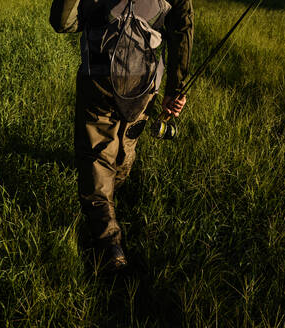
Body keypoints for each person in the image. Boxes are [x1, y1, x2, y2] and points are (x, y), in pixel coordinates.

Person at [50, 0, 194, 270]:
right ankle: (110, 199)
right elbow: (181, 29)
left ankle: (108, 244)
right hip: (143, 82)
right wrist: (176, 88)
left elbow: (63, 22)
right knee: (125, 147)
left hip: (98, 77)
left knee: (97, 158)